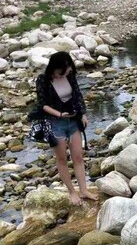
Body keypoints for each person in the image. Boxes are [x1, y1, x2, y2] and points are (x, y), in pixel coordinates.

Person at [35, 52, 97, 206]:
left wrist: (82, 114)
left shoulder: (70, 75)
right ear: (54, 69)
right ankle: (72, 192)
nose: (68, 71)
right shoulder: (43, 80)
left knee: (78, 157)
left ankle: (84, 190)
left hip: (73, 120)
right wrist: (59, 114)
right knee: (62, 159)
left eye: (69, 68)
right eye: (63, 70)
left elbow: (77, 95)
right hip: (55, 123)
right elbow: (43, 105)